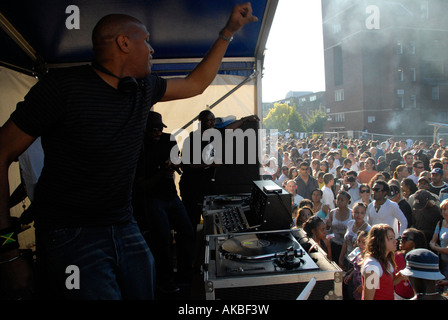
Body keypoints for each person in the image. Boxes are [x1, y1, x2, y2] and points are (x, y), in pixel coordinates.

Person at [0, 4, 258, 300]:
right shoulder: (60, 88)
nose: (152, 50)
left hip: (124, 224)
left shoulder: (143, 88)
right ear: (124, 42)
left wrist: (228, 33)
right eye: (145, 40)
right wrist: (6, 250)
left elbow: (196, 84)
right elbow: (2, 152)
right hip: (71, 235)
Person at [132, 111, 194, 295]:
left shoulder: (169, 139)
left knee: (187, 232)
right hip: (152, 200)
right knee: (162, 240)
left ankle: (184, 276)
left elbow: (179, 162)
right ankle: (166, 281)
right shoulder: (139, 147)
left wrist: (173, 165)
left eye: (160, 128)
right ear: (145, 129)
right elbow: (140, 184)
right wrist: (161, 173)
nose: (158, 133)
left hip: (171, 197)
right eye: (154, 130)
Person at [179, 109, 259, 228]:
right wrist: (209, 164)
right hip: (191, 188)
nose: (212, 123)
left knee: (210, 220)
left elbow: (229, 129)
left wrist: (245, 119)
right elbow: (186, 166)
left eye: (213, 120)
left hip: (205, 186)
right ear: (200, 122)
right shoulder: (190, 140)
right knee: (192, 220)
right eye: (208, 121)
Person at [361, 224, 403, 300]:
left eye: (394, 237)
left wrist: (400, 276)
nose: (395, 241)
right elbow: (368, 298)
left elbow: (386, 284)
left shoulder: (387, 260)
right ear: (380, 241)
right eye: (391, 238)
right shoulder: (372, 267)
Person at [394, 228, 427, 299]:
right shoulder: (396, 257)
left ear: (415, 242)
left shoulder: (423, 259)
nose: (401, 240)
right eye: (401, 238)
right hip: (397, 296)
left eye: (405, 238)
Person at [339, 202, 371, 270]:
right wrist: (340, 259)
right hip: (347, 259)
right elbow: (345, 243)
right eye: (356, 212)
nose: (359, 215)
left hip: (358, 262)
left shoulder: (368, 229)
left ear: (364, 214)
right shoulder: (350, 223)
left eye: (361, 213)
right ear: (352, 213)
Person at [327, 191, 352, 264]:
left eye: (342, 200)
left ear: (347, 201)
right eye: (338, 199)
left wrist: (345, 234)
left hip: (346, 246)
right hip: (334, 244)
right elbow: (330, 230)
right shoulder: (332, 212)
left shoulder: (352, 213)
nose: (339, 202)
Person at [343, 230, 368, 300]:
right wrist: (350, 275)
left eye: (364, 242)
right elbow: (356, 268)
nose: (360, 244)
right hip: (355, 284)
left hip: (363, 286)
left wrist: (363, 285)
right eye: (359, 241)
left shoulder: (370, 258)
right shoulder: (358, 254)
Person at [429, 198, 448, 281]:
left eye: (447, 209)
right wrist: (439, 248)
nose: (445, 212)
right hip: (441, 263)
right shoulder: (440, 223)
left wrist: (436, 248)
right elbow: (432, 241)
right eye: (443, 209)